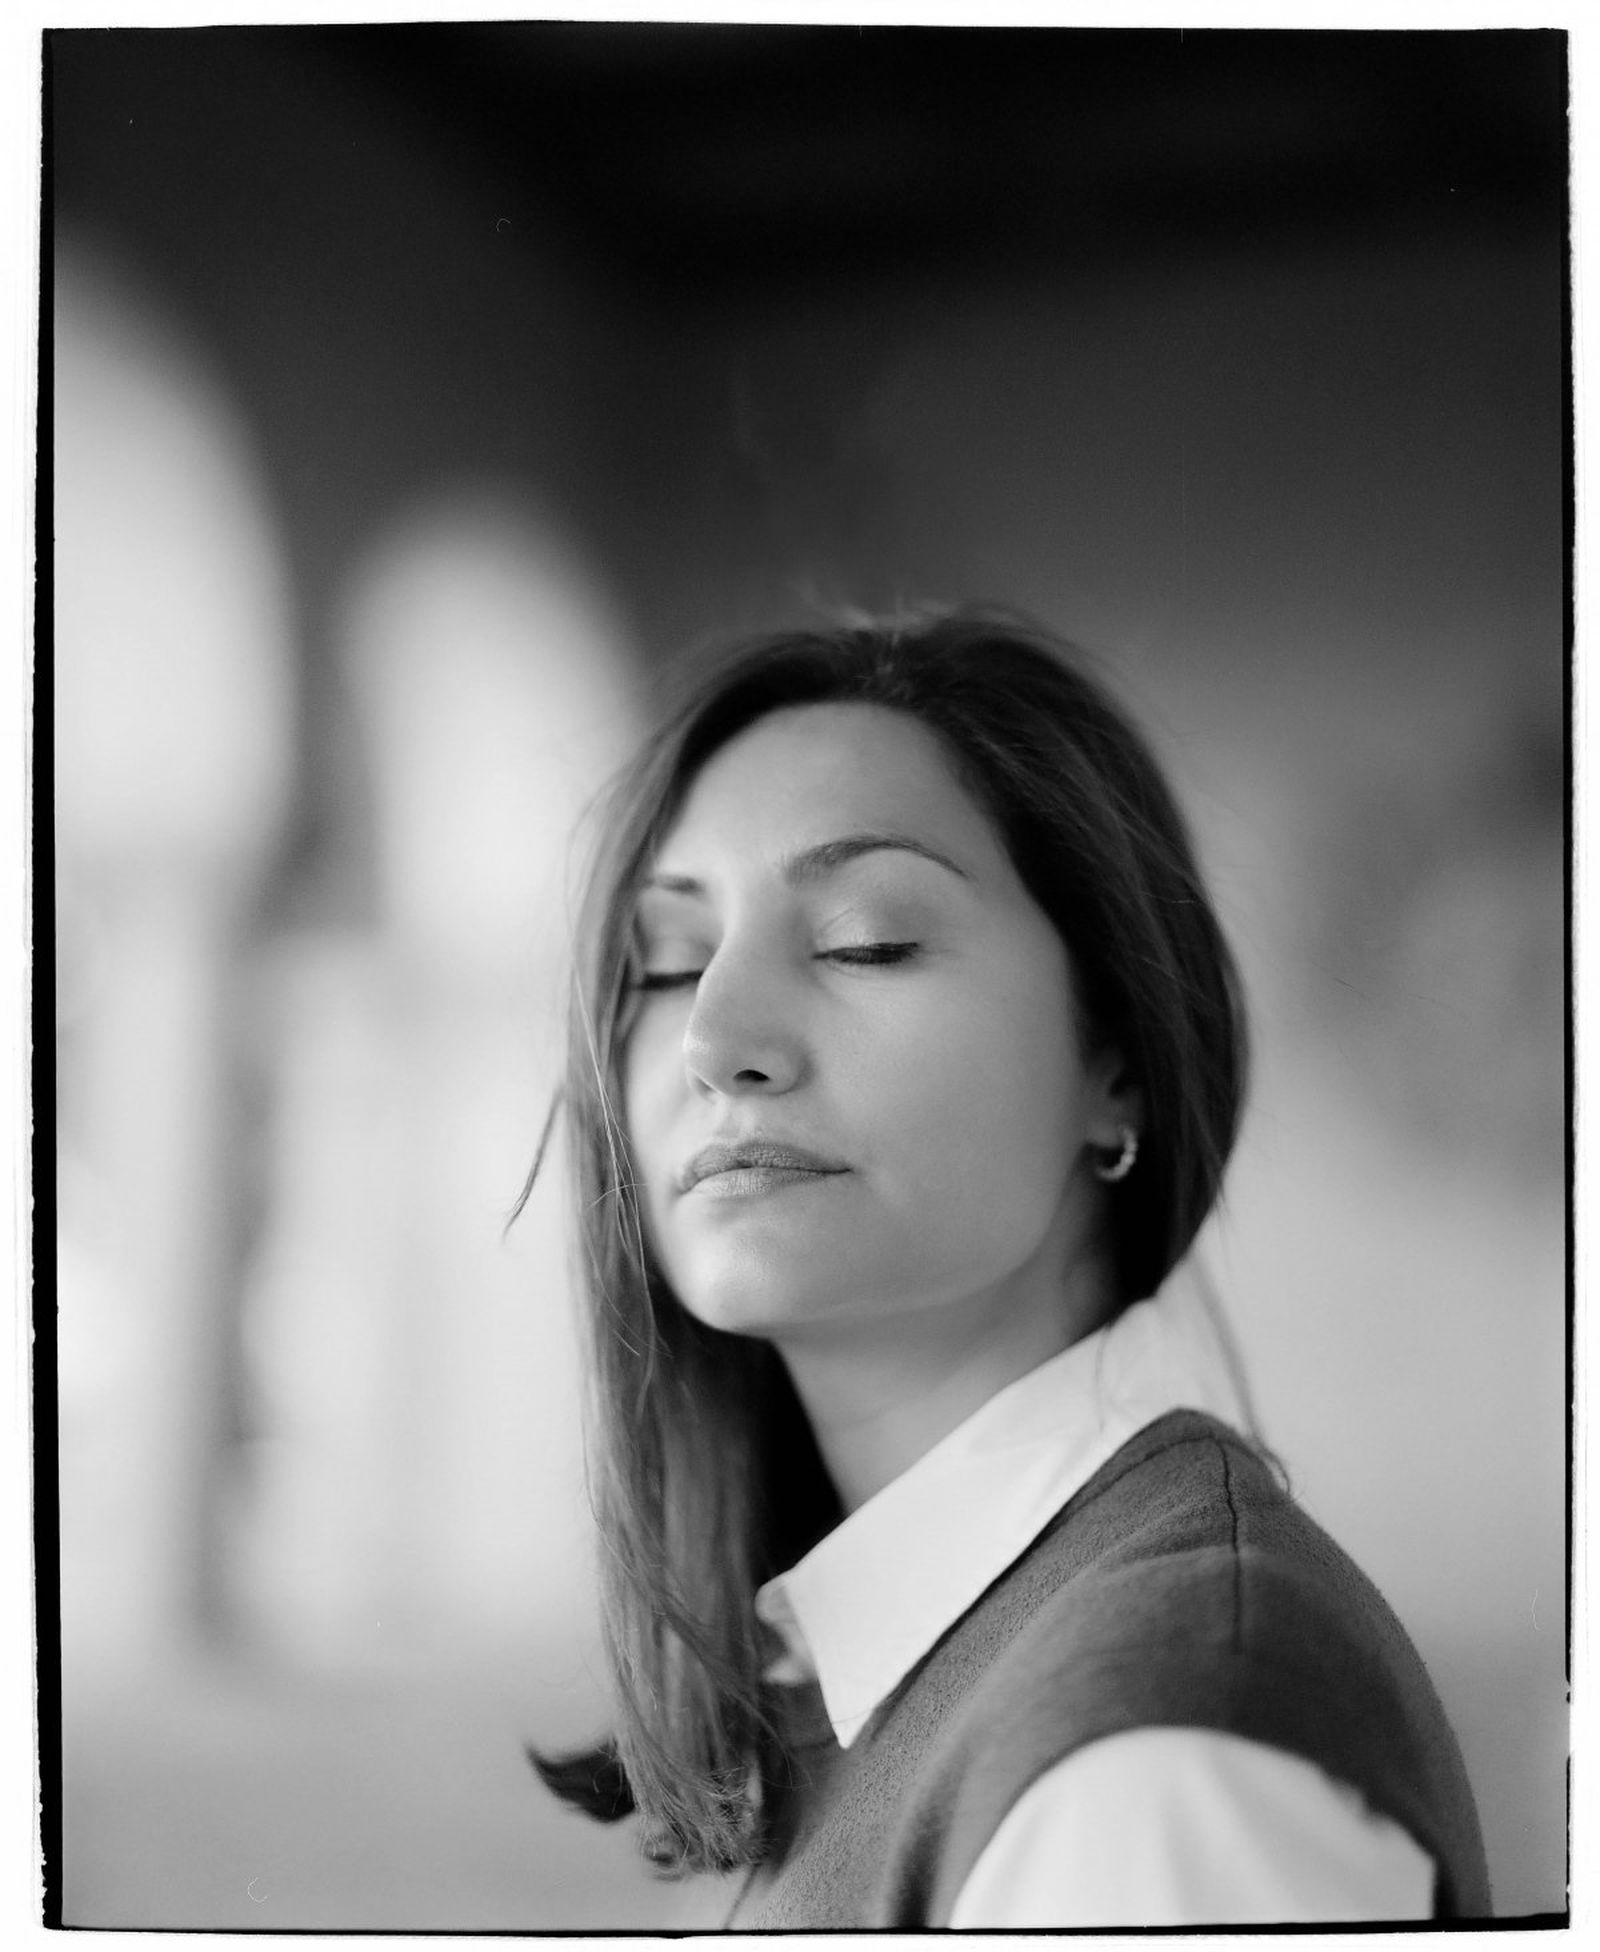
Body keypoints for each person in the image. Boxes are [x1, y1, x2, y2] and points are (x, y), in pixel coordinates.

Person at [530, 608, 1491, 1926]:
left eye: (866, 940)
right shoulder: (897, 1659)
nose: (714, 1036)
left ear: (1115, 1068)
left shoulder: (1154, 1760)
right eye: (670, 961)